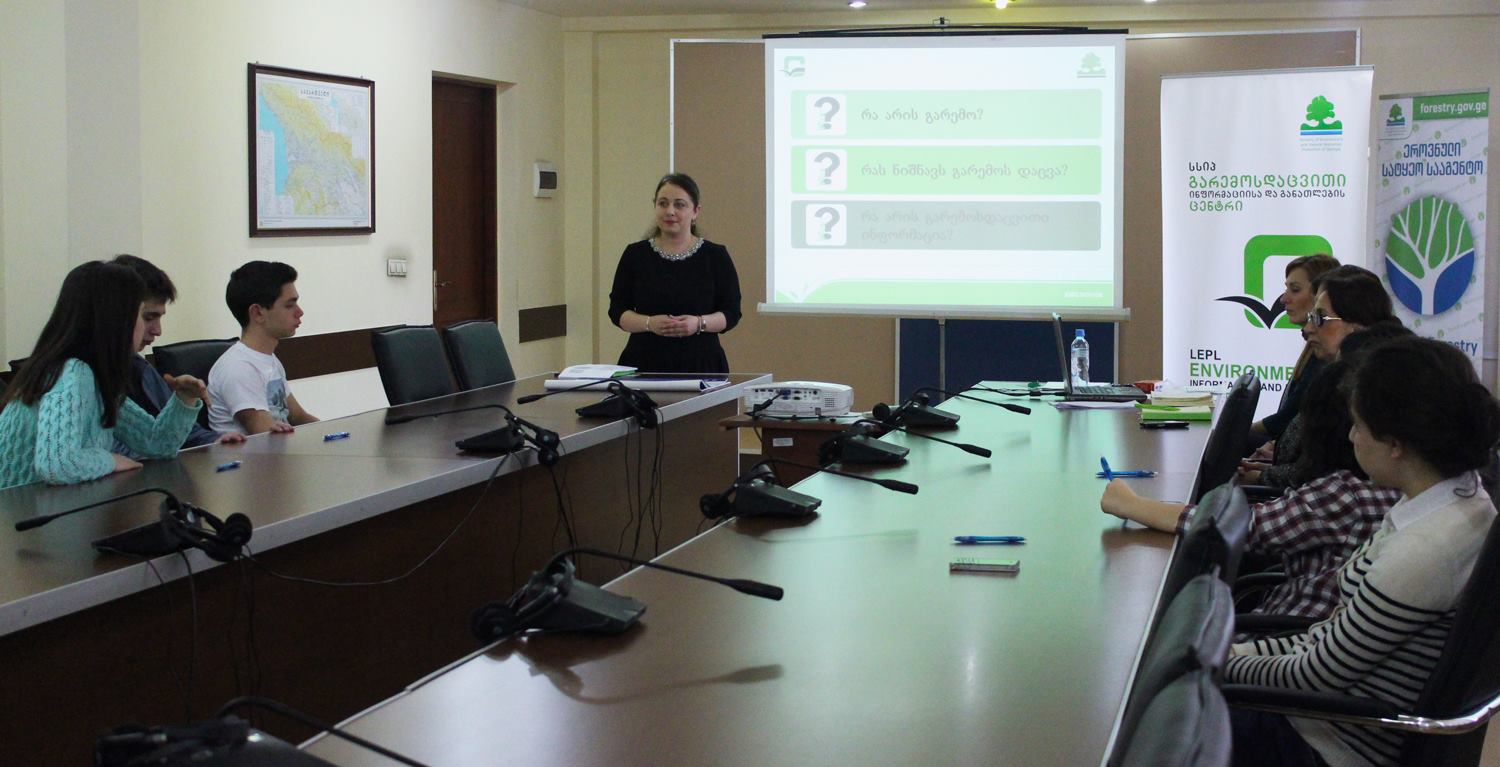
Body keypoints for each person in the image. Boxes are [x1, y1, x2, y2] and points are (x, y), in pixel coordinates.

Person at [1225, 337, 1500, 767]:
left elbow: (1316, 675)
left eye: (1357, 425)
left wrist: (1208, 664)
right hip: (1329, 716)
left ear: (1394, 443)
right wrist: (1233, 654)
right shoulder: (1462, 500)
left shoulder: (1424, 550)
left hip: (1327, 742)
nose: (1351, 436)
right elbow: (1329, 639)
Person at [1102, 350, 1401, 622]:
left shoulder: (1346, 496)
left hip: (1279, 635)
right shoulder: (1387, 493)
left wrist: (1132, 505)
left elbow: (1230, 527)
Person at [0, 261, 206, 489]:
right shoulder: (72, 373)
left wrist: (184, 399)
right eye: (143, 316)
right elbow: (57, 465)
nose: (157, 330)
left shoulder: (96, 378)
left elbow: (156, 444)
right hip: (20, 511)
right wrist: (110, 460)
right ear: (116, 320)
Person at [1243, 265, 1397, 489]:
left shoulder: (1356, 385)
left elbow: (1322, 477)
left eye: (1320, 318)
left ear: (1356, 326)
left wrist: (1261, 477)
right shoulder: (1347, 371)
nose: (1308, 329)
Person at [607, 173, 742, 374]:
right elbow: (617, 310)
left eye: (679, 205)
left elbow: (731, 312)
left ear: (695, 211)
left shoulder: (715, 255)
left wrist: (698, 324)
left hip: (702, 364)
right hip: (643, 362)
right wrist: (649, 323)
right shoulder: (635, 254)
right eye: (663, 204)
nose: (670, 211)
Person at [110, 255, 243, 451]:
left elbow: (161, 441)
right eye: (148, 317)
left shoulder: (139, 368)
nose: (158, 331)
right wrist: (109, 461)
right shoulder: (81, 375)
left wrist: (214, 440)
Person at [207, 261, 318, 435]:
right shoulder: (238, 367)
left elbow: (297, 416)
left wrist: (338, 433)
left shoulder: (269, 360)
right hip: (257, 452)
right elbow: (265, 434)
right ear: (257, 313)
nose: (300, 312)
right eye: (289, 305)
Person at [1250, 254, 1340, 441]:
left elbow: (1283, 421)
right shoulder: (1314, 352)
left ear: (1320, 295)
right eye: (1287, 289)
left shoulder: (1325, 357)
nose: (1284, 299)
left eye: (1295, 290)